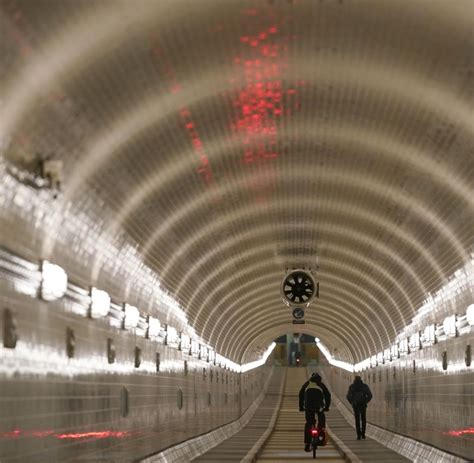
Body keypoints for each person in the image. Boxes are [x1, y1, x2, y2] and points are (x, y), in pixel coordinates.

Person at [299, 372, 331, 452]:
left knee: (309, 423)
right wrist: (326, 407)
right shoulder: (321, 385)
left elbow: (301, 395)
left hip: (308, 406)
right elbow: (328, 395)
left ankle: (307, 443)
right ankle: (320, 434)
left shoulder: (307, 384)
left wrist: (301, 407)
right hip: (319, 406)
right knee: (321, 418)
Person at [346, 375, 372, 440]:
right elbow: (370, 395)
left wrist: (352, 402)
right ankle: (363, 434)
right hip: (363, 405)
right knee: (363, 419)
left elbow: (348, 396)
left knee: (357, 420)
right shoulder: (364, 386)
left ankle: (358, 435)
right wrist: (366, 401)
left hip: (356, 405)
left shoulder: (352, 386)